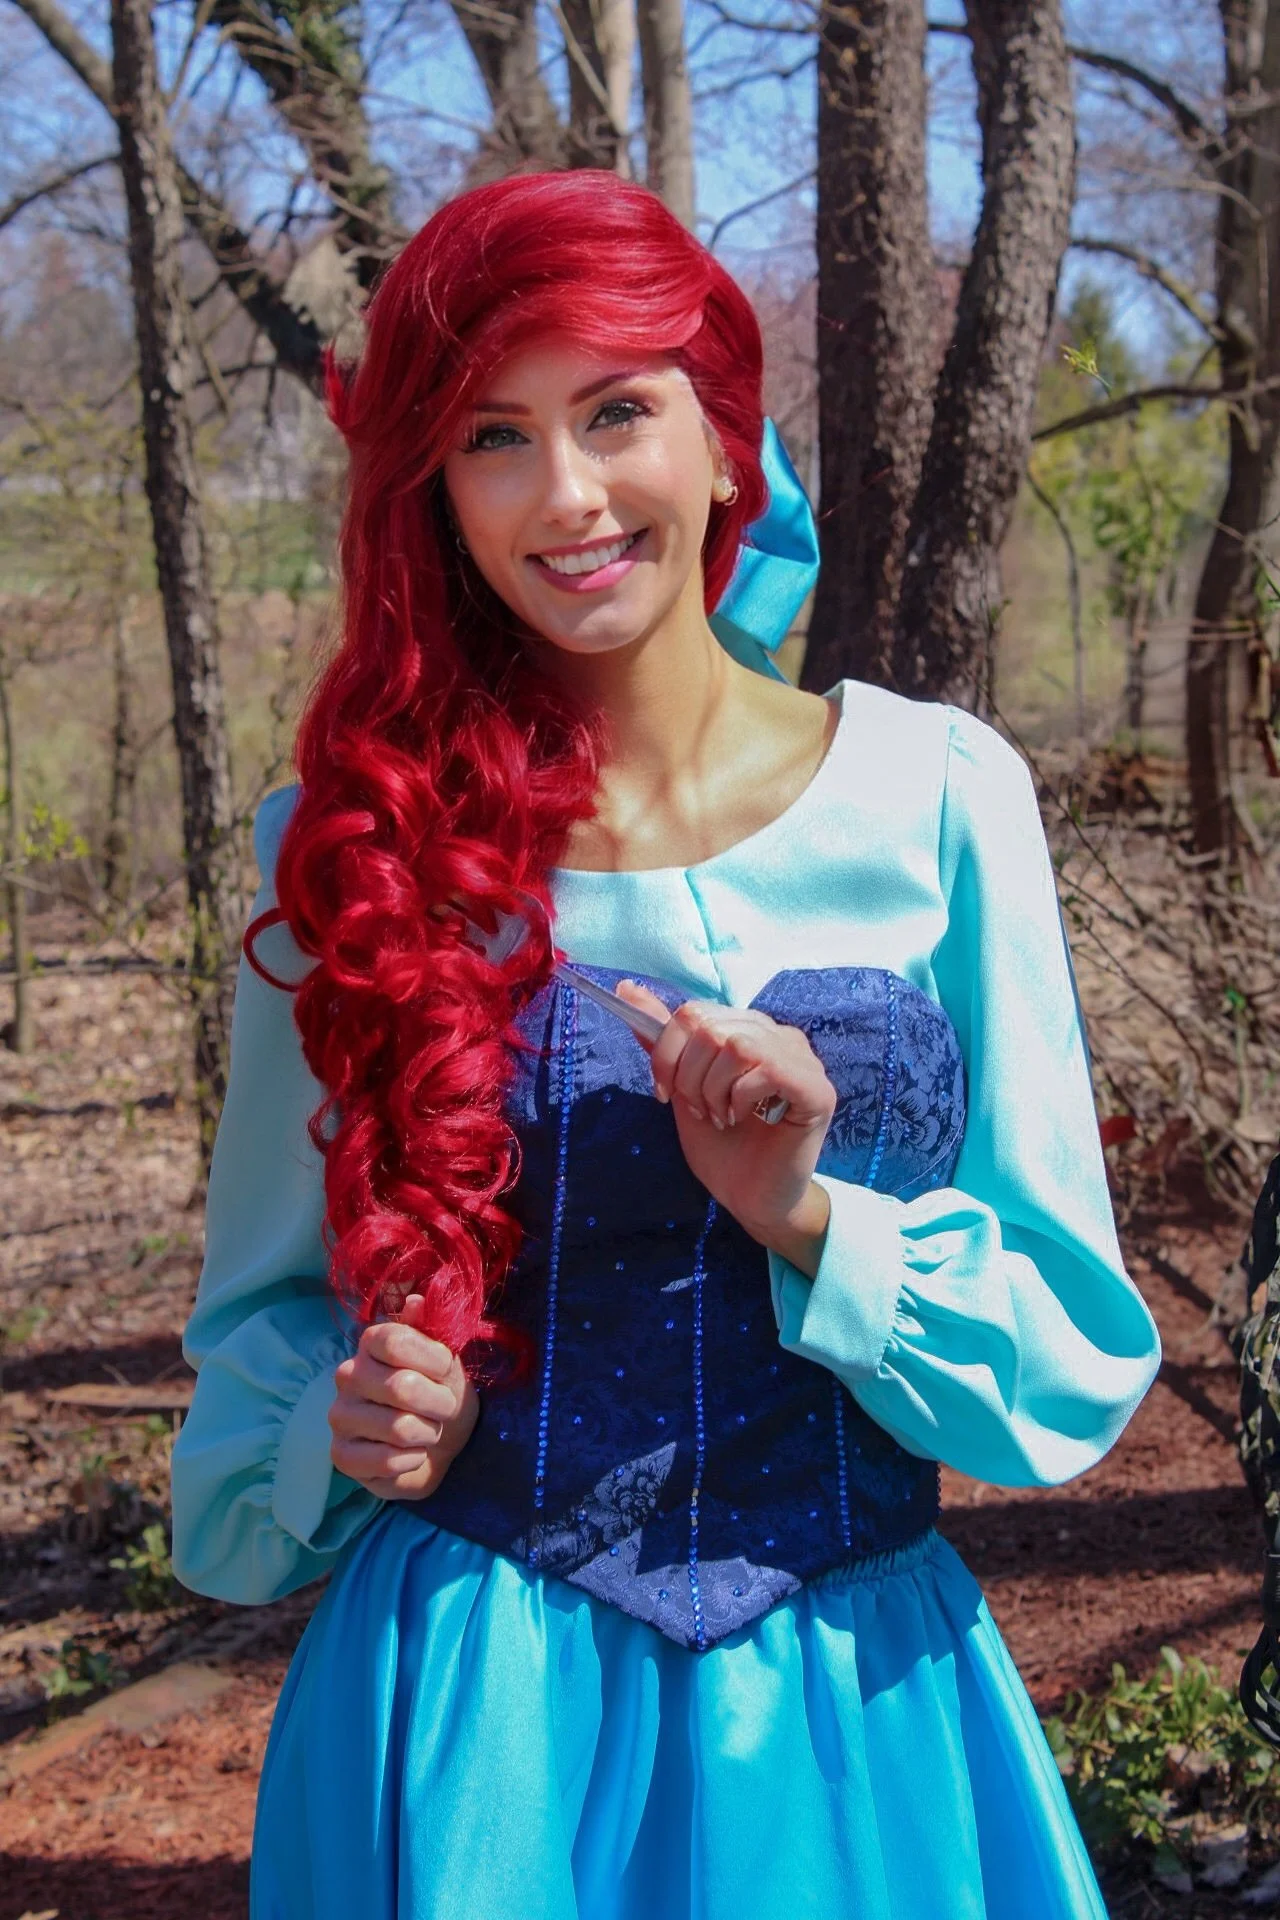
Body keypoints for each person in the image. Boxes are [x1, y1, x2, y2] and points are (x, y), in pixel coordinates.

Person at [170, 169, 1162, 1919]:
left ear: (723, 440)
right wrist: (359, 1415)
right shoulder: (344, 851)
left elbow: (1068, 1343)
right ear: (436, 493)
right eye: (493, 434)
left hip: (856, 1728)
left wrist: (809, 1218)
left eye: (616, 411)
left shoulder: (939, 798)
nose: (567, 495)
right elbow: (261, 1353)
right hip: (477, 1737)